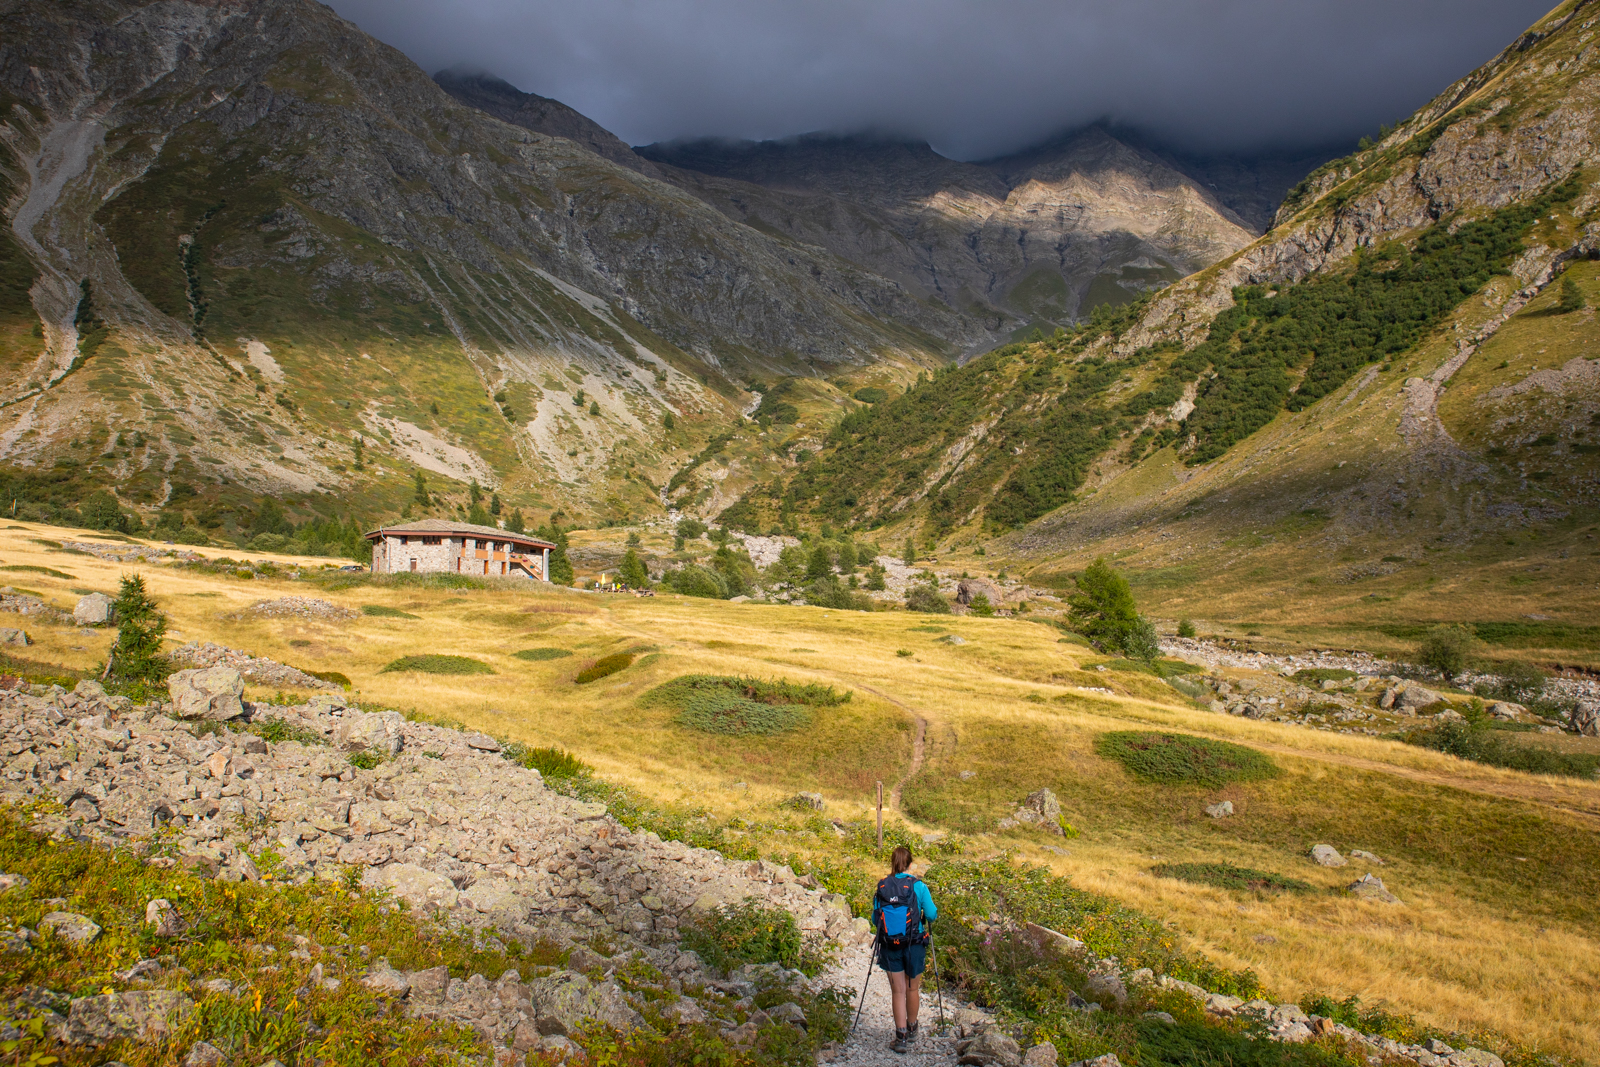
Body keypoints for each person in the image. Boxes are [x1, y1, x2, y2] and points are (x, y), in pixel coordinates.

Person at [871, 845, 937, 1054]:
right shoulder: (918, 886)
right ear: (909, 864)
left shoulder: (882, 886)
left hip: (890, 945)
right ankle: (912, 1026)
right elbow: (933, 914)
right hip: (914, 944)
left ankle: (900, 1037)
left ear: (893, 863)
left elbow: (875, 919)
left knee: (897, 990)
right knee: (912, 988)